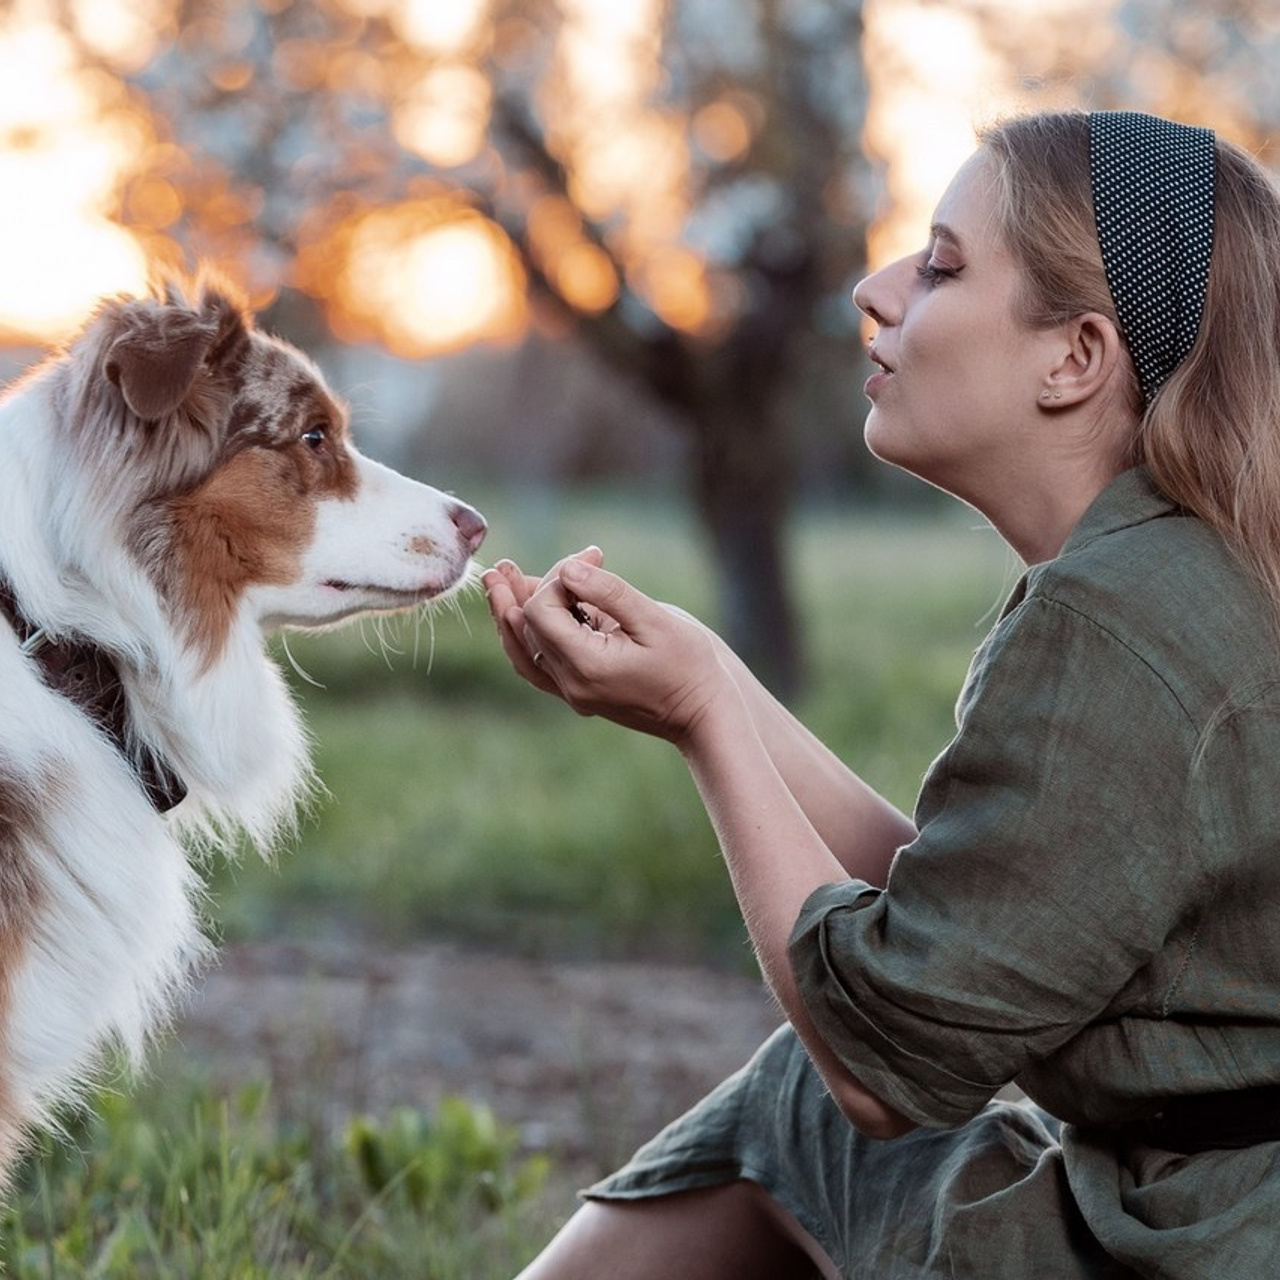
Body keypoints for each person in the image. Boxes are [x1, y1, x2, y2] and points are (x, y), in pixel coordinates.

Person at [482, 109, 1280, 1278]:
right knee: (792, 1093)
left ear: (1074, 356)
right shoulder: (1194, 575)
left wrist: (705, 715)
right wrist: (716, 680)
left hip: (1188, 1246)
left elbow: (878, 1065)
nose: (875, 286)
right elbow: (986, 923)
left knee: (802, 1098)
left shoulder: (1112, 618)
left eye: (944, 265)